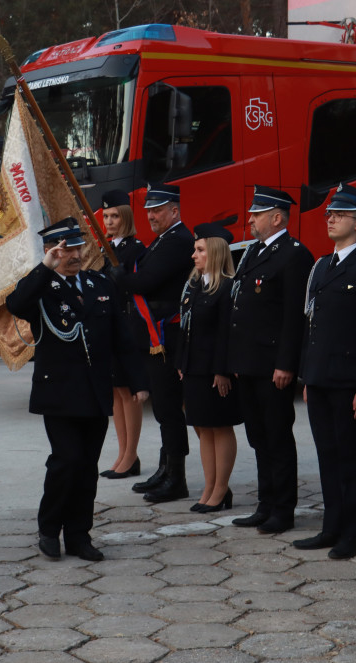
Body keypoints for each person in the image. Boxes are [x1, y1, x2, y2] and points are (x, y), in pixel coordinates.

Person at [6, 218, 148, 561]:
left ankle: (79, 535)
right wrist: (45, 267)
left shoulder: (100, 283)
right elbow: (16, 304)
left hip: (95, 391)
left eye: (77, 247)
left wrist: (139, 381)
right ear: (53, 251)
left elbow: (122, 337)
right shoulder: (40, 287)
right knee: (65, 461)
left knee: (86, 466)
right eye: (66, 249)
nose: (75, 254)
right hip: (59, 392)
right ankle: (49, 528)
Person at [293, 183, 356, 559]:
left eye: (340, 215)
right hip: (320, 379)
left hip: (350, 382)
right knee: (328, 456)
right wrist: (307, 374)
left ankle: (353, 532)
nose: (330, 219)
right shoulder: (323, 266)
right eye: (330, 214)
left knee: (352, 459)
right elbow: (311, 324)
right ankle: (331, 526)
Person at [228, 186, 314, 534]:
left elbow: (295, 317)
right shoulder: (253, 252)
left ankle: (283, 509)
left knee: (277, 437)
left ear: (277, 217)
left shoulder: (294, 255)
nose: (250, 219)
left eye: (257, 214)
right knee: (258, 437)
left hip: (272, 366)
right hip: (249, 363)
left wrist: (286, 364)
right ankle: (266, 504)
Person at [110, 183, 194, 503]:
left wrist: (120, 276)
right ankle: (165, 468)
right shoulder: (162, 240)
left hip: (167, 336)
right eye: (148, 211)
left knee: (169, 407)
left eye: (157, 210)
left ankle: (177, 477)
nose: (151, 216)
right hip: (154, 334)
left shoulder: (178, 240)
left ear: (175, 210)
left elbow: (146, 282)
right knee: (162, 406)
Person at [176, 220, 242, 513]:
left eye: (200, 250)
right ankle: (210, 486)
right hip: (193, 367)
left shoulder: (227, 287)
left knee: (219, 426)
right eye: (194, 249)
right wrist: (181, 361)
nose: (194, 255)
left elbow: (228, 333)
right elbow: (184, 326)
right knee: (201, 425)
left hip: (214, 370)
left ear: (214, 252)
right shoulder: (194, 284)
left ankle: (220, 489)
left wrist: (222, 370)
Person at [98, 189, 148, 479]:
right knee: (116, 392)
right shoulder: (108, 247)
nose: (110, 221)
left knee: (129, 393)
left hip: (128, 326)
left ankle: (131, 455)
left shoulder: (135, 248)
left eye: (115, 215)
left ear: (126, 217)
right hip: (110, 326)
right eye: (106, 216)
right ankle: (122, 452)